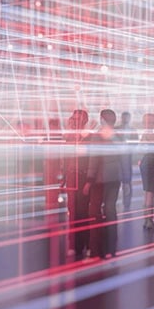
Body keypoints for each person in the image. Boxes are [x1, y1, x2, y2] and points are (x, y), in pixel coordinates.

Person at [83, 109, 125, 258]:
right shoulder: (118, 136)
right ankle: (111, 249)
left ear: (102, 119)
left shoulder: (98, 136)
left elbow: (94, 159)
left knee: (95, 212)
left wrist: (89, 180)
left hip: (100, 179)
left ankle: (96, 250)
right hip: (115, 177)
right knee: (111, 211)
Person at [63, 109, 91, 260]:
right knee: (72, 212)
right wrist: (64, 177)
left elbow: (90, 160)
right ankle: (74, 245)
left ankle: (85, 244)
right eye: (73, 119)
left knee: (83, 211)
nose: (75, 122)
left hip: (83, 177)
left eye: (78, 119)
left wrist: (90, 180)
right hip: (72, 178)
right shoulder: (69, 137)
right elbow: (67, 159)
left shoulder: (88, 137)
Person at [139, 113, 154, 231]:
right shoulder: (150, 134)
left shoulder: (145, 134)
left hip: (146, 163)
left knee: (148, 192)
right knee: (150, 192)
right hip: (149, 163)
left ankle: (147, 220)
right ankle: (149, 221)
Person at [114, 111, 136, 211]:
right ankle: (119, 201)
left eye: (127, 117)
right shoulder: (116, 129)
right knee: (119, 179)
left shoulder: (132, 130)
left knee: (127, 180)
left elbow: (136, 143)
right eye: (124, 117)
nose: (125, 119)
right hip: (118, 157)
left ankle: (127, 202)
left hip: (127, 157)